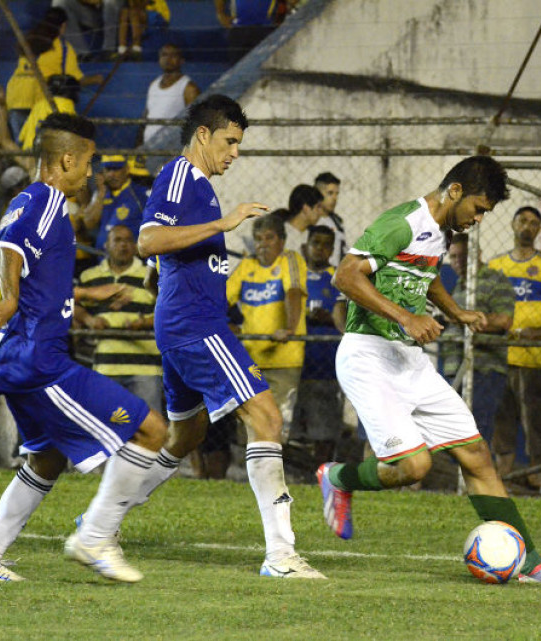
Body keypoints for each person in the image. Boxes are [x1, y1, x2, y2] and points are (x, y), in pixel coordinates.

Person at [316, 155, 541, 584]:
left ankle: (532, 562)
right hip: (368, 356)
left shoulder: (439, 232)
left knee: (477, 455)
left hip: (408, 360)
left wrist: (456, 310)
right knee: (414, 468)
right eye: (479, 209)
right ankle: (339, 477)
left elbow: (427, 275)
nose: (479, 219)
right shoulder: (403, 221)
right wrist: (408, 318)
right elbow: (346, 276)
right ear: (455, 192)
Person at [0, 112, 169, 584]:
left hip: (16, 352)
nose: (91, 172)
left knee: (48, 459)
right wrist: (10, 296)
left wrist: (85, 295)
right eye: (89, 162)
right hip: (40, 360)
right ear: (67, 158)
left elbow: (37, 272)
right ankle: (95, 536)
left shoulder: (27, 200)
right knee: (151, 430)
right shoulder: (47, 204)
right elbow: (12, 248)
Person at [136, 94, 324, 579]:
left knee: (187, 435)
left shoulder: (197, 186)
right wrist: (221, 224)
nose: (235, 152)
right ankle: (281, 556)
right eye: (230, 141)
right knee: (266, 417)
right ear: (204, 134)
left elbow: (167, 253)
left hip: (186, 324)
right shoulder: (182, 177)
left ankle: (101, 520)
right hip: (196, 326)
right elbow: (147, 240)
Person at [487, 207, 541, 491]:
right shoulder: (496, 265)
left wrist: (540, 331)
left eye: (534, 223)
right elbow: (482, 306)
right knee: (502, 427)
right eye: (522, 220)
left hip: (535, 361)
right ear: (512, 224)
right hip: (500, 359)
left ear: (539, 230)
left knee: (537, 428)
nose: (527, 226)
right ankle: (502, 485)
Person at [226, 213, 307, 443]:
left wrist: (289, 329)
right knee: (250, 426)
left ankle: (273, 474)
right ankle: (251, 476)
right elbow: (219, 301)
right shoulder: (246, 266)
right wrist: (226, 326)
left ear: (281, 241)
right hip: (251, 360)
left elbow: (293, 293)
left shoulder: (290, 260)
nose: (262, 244)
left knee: (277, 426)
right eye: (258, 239)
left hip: (284, 360)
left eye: (269, 238)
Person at [75, 224, 162, 413]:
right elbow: (74, 305)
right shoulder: (89, 277)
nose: (123, 245)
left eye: (129, 241)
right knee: (107, 430)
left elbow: (170, 312)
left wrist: (144, 323)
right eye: (118, 240)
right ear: (106, 245)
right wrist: (90, 320)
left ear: (136, 246)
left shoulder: (151, 277)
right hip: (106, 368)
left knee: (150, 432)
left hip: (145, 370)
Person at [437, 232, 514, 443]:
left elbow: (504, 320)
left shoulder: (496, 281)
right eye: (453, 257)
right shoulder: (458, 286)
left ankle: (479, 477)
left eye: (463, 256)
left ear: (478, 254)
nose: (457, 262)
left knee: (476, 437)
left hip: (483, 368)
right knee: (458, 438)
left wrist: (461, 317)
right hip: (455, 368)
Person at [291, 224, 347, 464]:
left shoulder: (339, 279)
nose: (320, 249)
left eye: (326, 245)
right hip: (294, 365)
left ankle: (322, 474)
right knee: (289, 430)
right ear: (306, 246)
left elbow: (346, 322)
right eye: (316, 243)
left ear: (332, 249)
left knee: (324, 431)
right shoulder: (294, 275)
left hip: (325, 368)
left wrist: (331, 318)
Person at [5, 7, 102, 142]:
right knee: (38, 143)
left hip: (15, 96)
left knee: (21, 143)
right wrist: (95, 79)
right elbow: (74, 79)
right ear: (63, 26)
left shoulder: (29, 40)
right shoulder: (62, 47)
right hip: (39, 98)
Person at [73, 153, 148, 252]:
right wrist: (101, 193)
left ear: (126, 169)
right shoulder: (100, 194)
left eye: (116, 169)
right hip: (102, 258)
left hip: (129, 259)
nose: (112, 174)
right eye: (108, 170)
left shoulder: (140, 194)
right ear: (102, 172)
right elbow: (89, 223)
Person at [141, 43, 200, 145]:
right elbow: (146, 116)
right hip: (148, 145)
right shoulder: (153, 85)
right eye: (164, 55)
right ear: (159, 59)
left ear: (181, 61)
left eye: (173, 55)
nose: (167, 59)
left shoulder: (189, 88)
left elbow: (196, 123)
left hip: (171, 149)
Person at [17, 73, 80, 151]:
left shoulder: (38, 105)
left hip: (28, 151)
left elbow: (21, 137)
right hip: (47, 155)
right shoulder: (67, 105)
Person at [214, 0, 290, 64]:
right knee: (237, 70)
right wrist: (220, 13)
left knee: (263, 68)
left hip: (265, 29)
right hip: (239, 30)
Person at [51, 0, 122, 61]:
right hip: (87, 11)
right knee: (59, 2)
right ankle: (81, 53)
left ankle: (109, 50)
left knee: (110, 2)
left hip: (111, 11)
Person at [280, 183, 323, 257]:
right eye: (318, 207)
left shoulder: (312, 236)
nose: (321, 212)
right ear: (306, 208)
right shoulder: (280, 235)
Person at [314, 171, 347, 265]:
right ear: (318, 194)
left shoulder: (337, 222)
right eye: (330, 193)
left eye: (337, 194)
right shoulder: (312, 222)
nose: (334, 198)